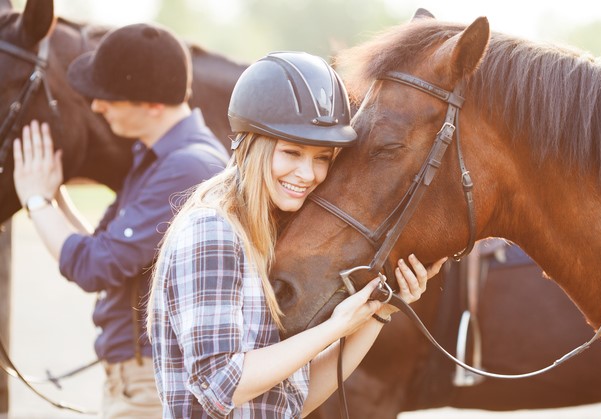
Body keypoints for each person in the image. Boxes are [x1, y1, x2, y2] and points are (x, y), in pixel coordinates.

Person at [147, 51, 447, 418]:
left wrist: (378, 313)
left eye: (322, 157)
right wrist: (333, 329)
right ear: (252, 145)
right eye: (292, 152)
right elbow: (219, 385)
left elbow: (293, 403)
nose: (308, 173)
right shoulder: (214, 231)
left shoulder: (272, 233)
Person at [12, 23, 229, 418]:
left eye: (108, 96)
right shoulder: (157, 160)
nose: (96, 106)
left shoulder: (186, 167)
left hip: (151, 384)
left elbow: (95, 267)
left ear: (152, 104)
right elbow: (101, 249)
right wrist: (52, 194)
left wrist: (36, 200)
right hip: (137, 380)